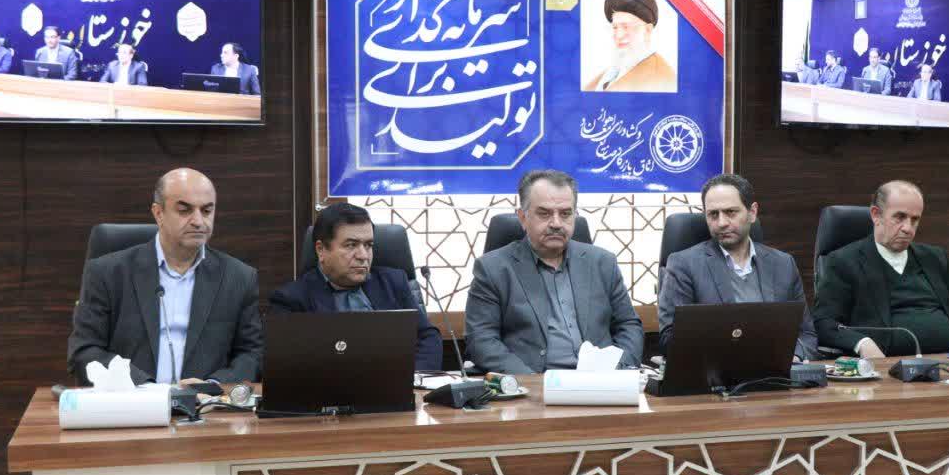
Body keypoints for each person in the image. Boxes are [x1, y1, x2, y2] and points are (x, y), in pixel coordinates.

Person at [68, 168, 263, 386]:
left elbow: (252, 355)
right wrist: (145, 388)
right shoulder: (108, 273)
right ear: (158, 213)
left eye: (207, 211)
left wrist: (213, 385)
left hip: (205, 404)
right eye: (185, 210)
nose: (198, 221)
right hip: (132, 401)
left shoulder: (238, 278)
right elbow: (84, 351)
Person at [465, 169, 643, 374]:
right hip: (532, 386)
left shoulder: (603, 263)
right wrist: (534, 383)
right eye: (544, 213)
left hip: (601, 383)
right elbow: (481, 340)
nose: (556, 223)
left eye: (565, 213)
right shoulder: (493, 269)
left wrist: (617, 372)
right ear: (523, 218)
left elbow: (629, 326)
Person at [813, 180, 949, 358]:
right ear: (876, 215)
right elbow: (824, 323)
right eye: (899, 217)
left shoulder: (934, 258)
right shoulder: (844, 261)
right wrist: (861, 343)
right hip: (887, 367)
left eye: (915, 219)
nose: (908, 228)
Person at [658, 174, 818, 359]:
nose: (722, 223)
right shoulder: (684, 264)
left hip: (776, 371)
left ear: (752, 212)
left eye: (731, 212)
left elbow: (807, 334)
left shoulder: (783, 264)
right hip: (716, 372)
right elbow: (671, 339)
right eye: (713, 214)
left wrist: (793, 357)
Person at [269, 203, 441, 371]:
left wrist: (411, 379)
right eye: (351, 245)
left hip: (394, 385)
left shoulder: (393, 282)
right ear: (321, 250)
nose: (363, 256)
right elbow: (285, 363)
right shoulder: (291, 300)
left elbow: (427, 337)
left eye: (368, 245)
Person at [582, 0, 676, 92]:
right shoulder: (616, 69)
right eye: (615, 27)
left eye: (626, 27)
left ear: (647, 30)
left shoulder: (661, 79)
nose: (619, 35)